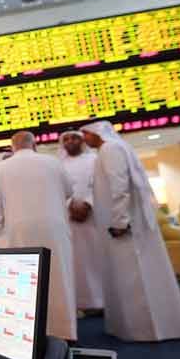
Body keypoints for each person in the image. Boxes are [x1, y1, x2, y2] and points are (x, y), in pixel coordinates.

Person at [81, 122, 180, 342]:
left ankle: (143, 331)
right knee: (135, 277)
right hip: (127, 225)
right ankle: (143, 328)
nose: (85, 138)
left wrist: (120, 222)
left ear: (96, 133)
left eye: (86, 133)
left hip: (125, 228)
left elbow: (119, 187)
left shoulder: (110, 149)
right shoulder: (114, 147)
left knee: (135, 278)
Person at [0, 132, 78, 341]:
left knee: (23, 283)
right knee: (58, 279)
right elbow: (69, 190)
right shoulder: (53, 162)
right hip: (53, 229)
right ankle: (64, 332)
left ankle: (26, 335)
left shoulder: (1, 168)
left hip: (17, 234)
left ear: (12, 147)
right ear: (34, 144)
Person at [58, 131, 106, 314]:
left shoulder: (94, 160)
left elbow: (99, 184)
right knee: (76, 262)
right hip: (70, 218)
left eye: (74, 137)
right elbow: (58, 189)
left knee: (97, 258)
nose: (70, 141)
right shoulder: (59, 165)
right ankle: (82, 304)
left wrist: (87, 203)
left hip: (93, 216)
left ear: (81, 140)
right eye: (67, 139)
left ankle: (103, 301)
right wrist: (70, 206)